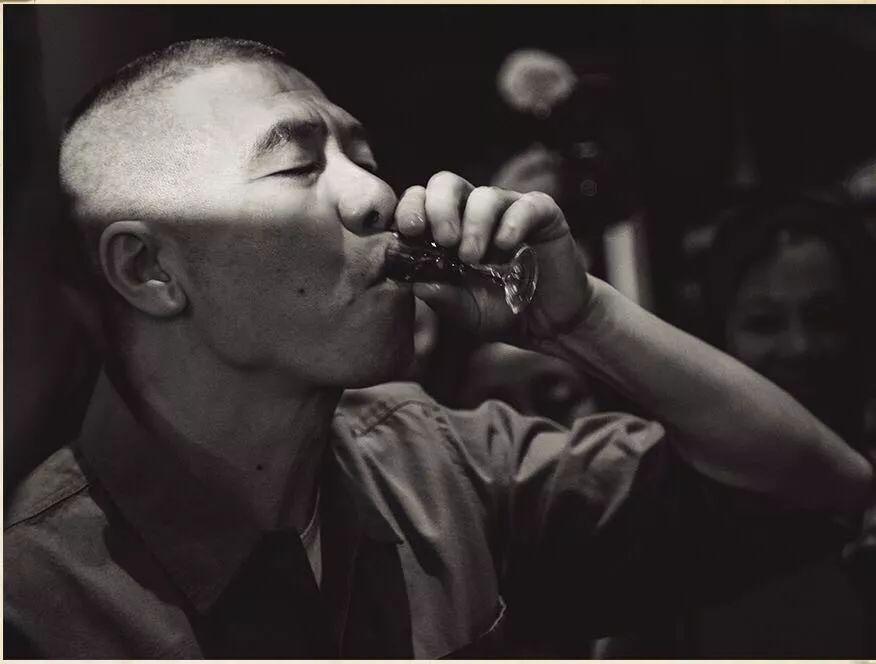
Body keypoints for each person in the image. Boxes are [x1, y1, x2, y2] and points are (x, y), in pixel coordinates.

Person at [4, 38, 874, 659]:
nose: (378, 195)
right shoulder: (37, 608)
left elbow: (817, 488)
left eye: (363, 155)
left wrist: (581, 319)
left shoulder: (435, 459)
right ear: (149, 268)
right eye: (298, 167)